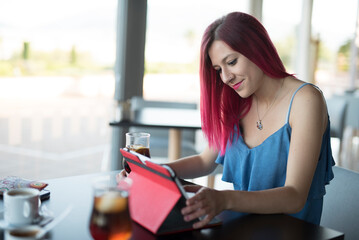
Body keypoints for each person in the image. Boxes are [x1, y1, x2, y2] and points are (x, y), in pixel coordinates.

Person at [120, 11, 335, 228]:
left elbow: (294, 196)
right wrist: (151, 173)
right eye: (218, 70)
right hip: (242, 229)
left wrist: (223, 199)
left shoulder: (305, 100)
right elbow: (205, 161)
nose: (226, 77)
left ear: (258, 49)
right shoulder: (236, 102)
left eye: (231, 62)